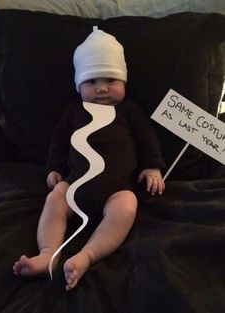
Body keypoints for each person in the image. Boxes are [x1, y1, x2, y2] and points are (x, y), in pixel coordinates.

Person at [13, 26, 165, 290]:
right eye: (91, 82)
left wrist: (152, 166)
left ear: (124, 82)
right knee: (54, 199)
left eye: (110, 80)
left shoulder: (129, 110)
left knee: (127, 206)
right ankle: (48, 253)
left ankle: (87, 255)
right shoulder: (73, 110)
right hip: (75, 184)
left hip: (117, 189)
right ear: (78, 85)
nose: (102, 89)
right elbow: (59, 141)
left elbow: (147, 139)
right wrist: (54, 168)